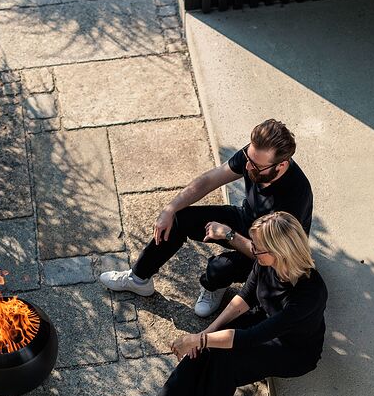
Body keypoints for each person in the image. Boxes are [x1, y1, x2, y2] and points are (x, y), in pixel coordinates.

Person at [109, 211, 327, 396]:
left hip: (292, 349)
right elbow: (245, 297)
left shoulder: (309, 294)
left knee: (226, 358)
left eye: (258, 247)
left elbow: (251, 338)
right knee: (202, 352)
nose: (252, 250)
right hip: (263, 321)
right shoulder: (265, 261)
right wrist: (203, 336)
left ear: (280, 250)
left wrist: (202, 340)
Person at [99, 119, 313, 318]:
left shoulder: (293, 198)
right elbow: (210, 180)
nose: (247, 168)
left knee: (219, 268)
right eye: (248, 159)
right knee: (179, 219)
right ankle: (138, 279)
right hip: (247, 220)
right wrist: (169, 209)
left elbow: (275, 257)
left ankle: (214, 285)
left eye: (255, 167)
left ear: (281, 166)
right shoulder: (254, 158)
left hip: (275, 251)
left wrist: (228, 235)